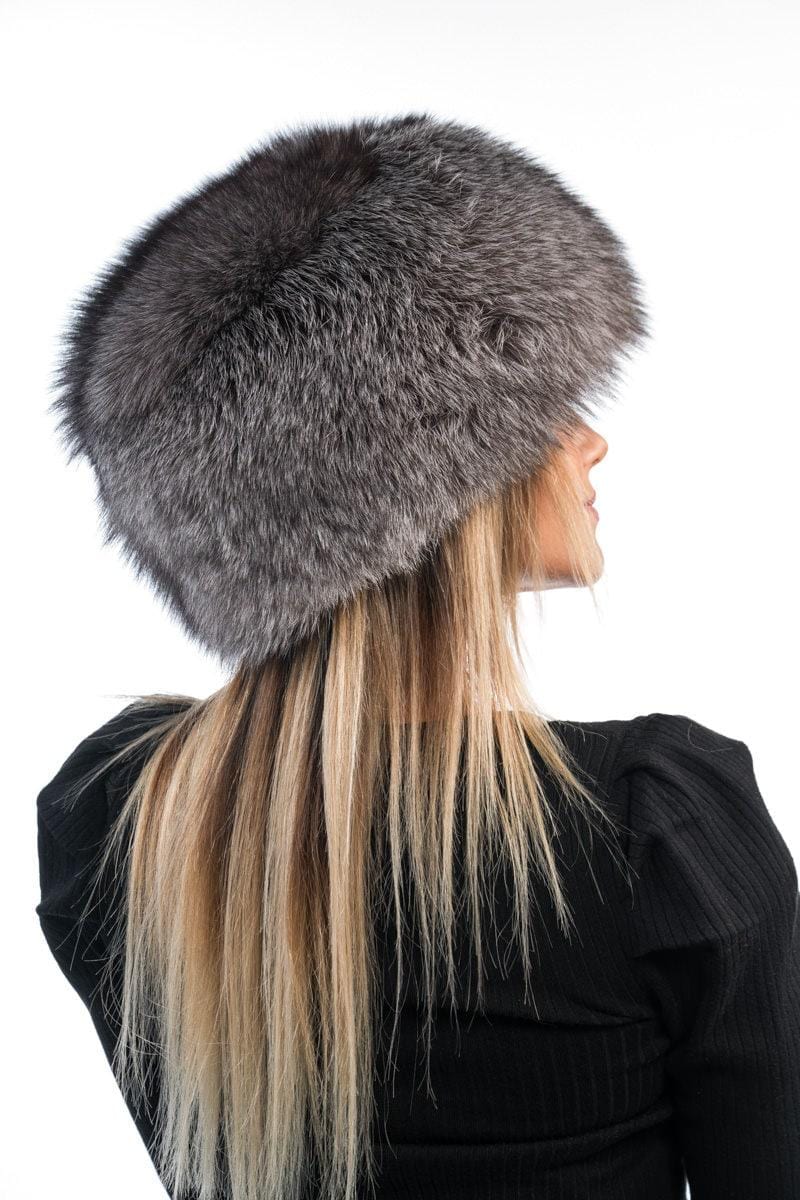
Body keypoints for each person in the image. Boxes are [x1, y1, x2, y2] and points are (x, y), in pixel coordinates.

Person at [36, 112, 799, 1200]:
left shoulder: (122, 812)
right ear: (432, 482)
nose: (592, 441)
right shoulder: (652, 824)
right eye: (548, 404)